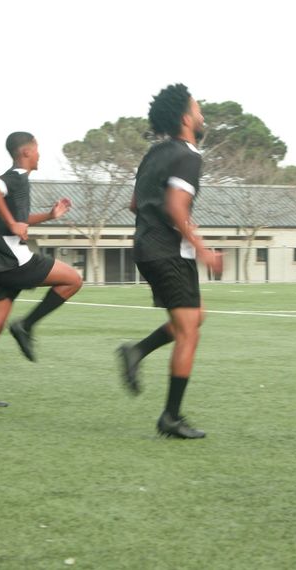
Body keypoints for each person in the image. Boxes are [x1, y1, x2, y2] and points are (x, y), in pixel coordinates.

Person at [116, 84, 222, 439]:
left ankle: (137, 350)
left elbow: (135, 204)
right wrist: (201, 246)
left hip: (147, 246)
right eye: (198, 109)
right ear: (185, 118)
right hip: (168, 251)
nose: (202, 115)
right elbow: (175, 205)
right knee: (189, 332)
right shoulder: (189, 155)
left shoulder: (155, 153)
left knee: (195, 316)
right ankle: (171, 417)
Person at [0, 131, 83, 407]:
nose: (39, 155)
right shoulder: (15, 176)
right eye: (38, 150)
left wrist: (49, 216)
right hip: (13, 260)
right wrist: (14, 224)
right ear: (27, 152)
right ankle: (26, 326)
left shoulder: (20, 182)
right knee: (73, 280)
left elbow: (19, 219)